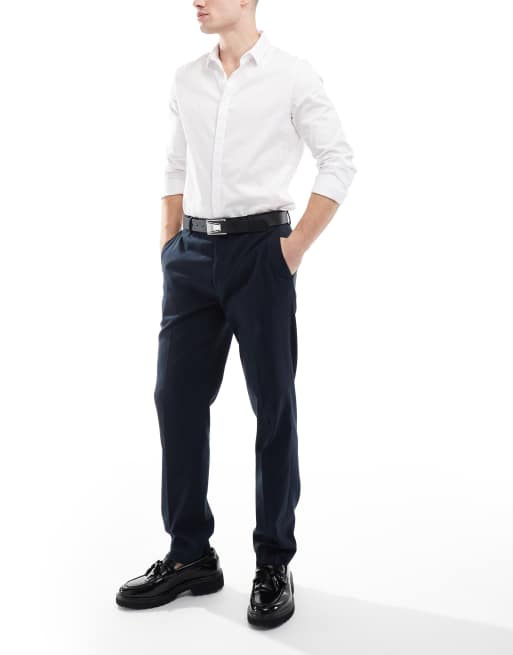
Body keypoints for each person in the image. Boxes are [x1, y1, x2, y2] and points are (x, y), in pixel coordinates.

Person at [116, 0, 357, 629]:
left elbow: (339, 160)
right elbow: (175, 164)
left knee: (273, 407)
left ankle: (274, 561)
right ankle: (190, 554)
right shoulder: (185, 79)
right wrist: (169, 245)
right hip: (192, 257)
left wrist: (291, 251)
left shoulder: (292, 74)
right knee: (175, 398)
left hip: (261, 256)